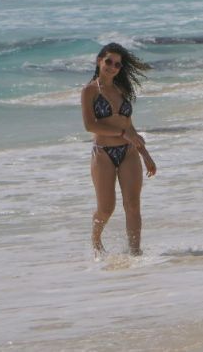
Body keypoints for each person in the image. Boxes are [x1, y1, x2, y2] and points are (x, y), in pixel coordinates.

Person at [81, 43, 157, 257]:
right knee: (106, 208)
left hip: (129, 152)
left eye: (117, 64)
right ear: (99, 61)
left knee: (133, 205)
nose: (112, 67)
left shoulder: (121, 89)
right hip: (103, 153)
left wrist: (145, 154)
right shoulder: (89, 91)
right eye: (108, 62)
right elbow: (90, 125)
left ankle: (135, 252)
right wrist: (124, 135)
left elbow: (129, 126)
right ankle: (96, 243)